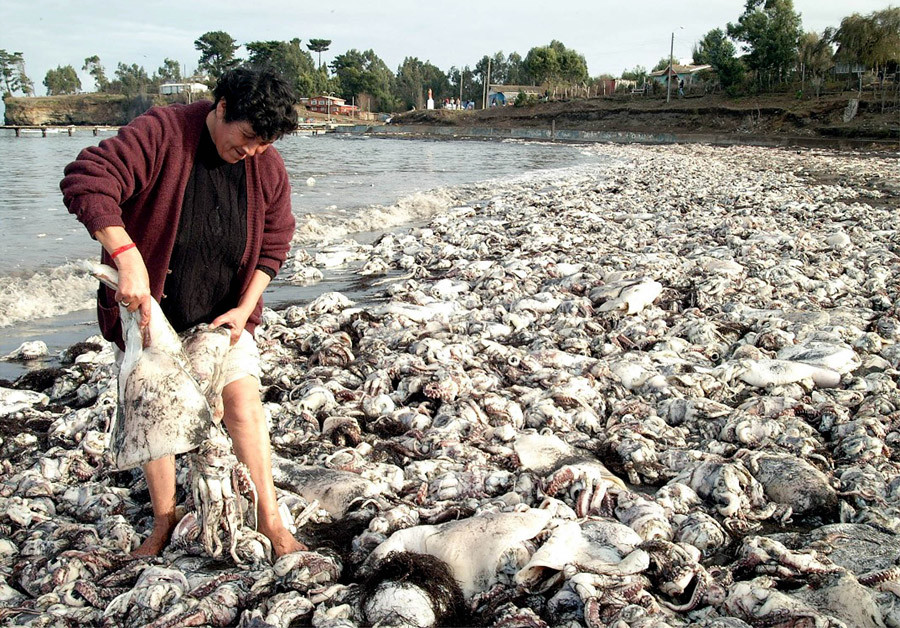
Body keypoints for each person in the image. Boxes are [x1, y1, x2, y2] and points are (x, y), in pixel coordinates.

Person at [60, 65, 306, 558]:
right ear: (220, 107)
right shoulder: (162, 132)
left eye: (266, 142)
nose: (254, 150)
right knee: (157, 418)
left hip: (222, 316)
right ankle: (164, 520)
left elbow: (275, 242)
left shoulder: (266, 164)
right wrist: (127, 257)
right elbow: (87, 179)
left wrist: (244, 308)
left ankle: (270, 519)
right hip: (151, 313)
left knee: (242, 401)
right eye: (250, 136)